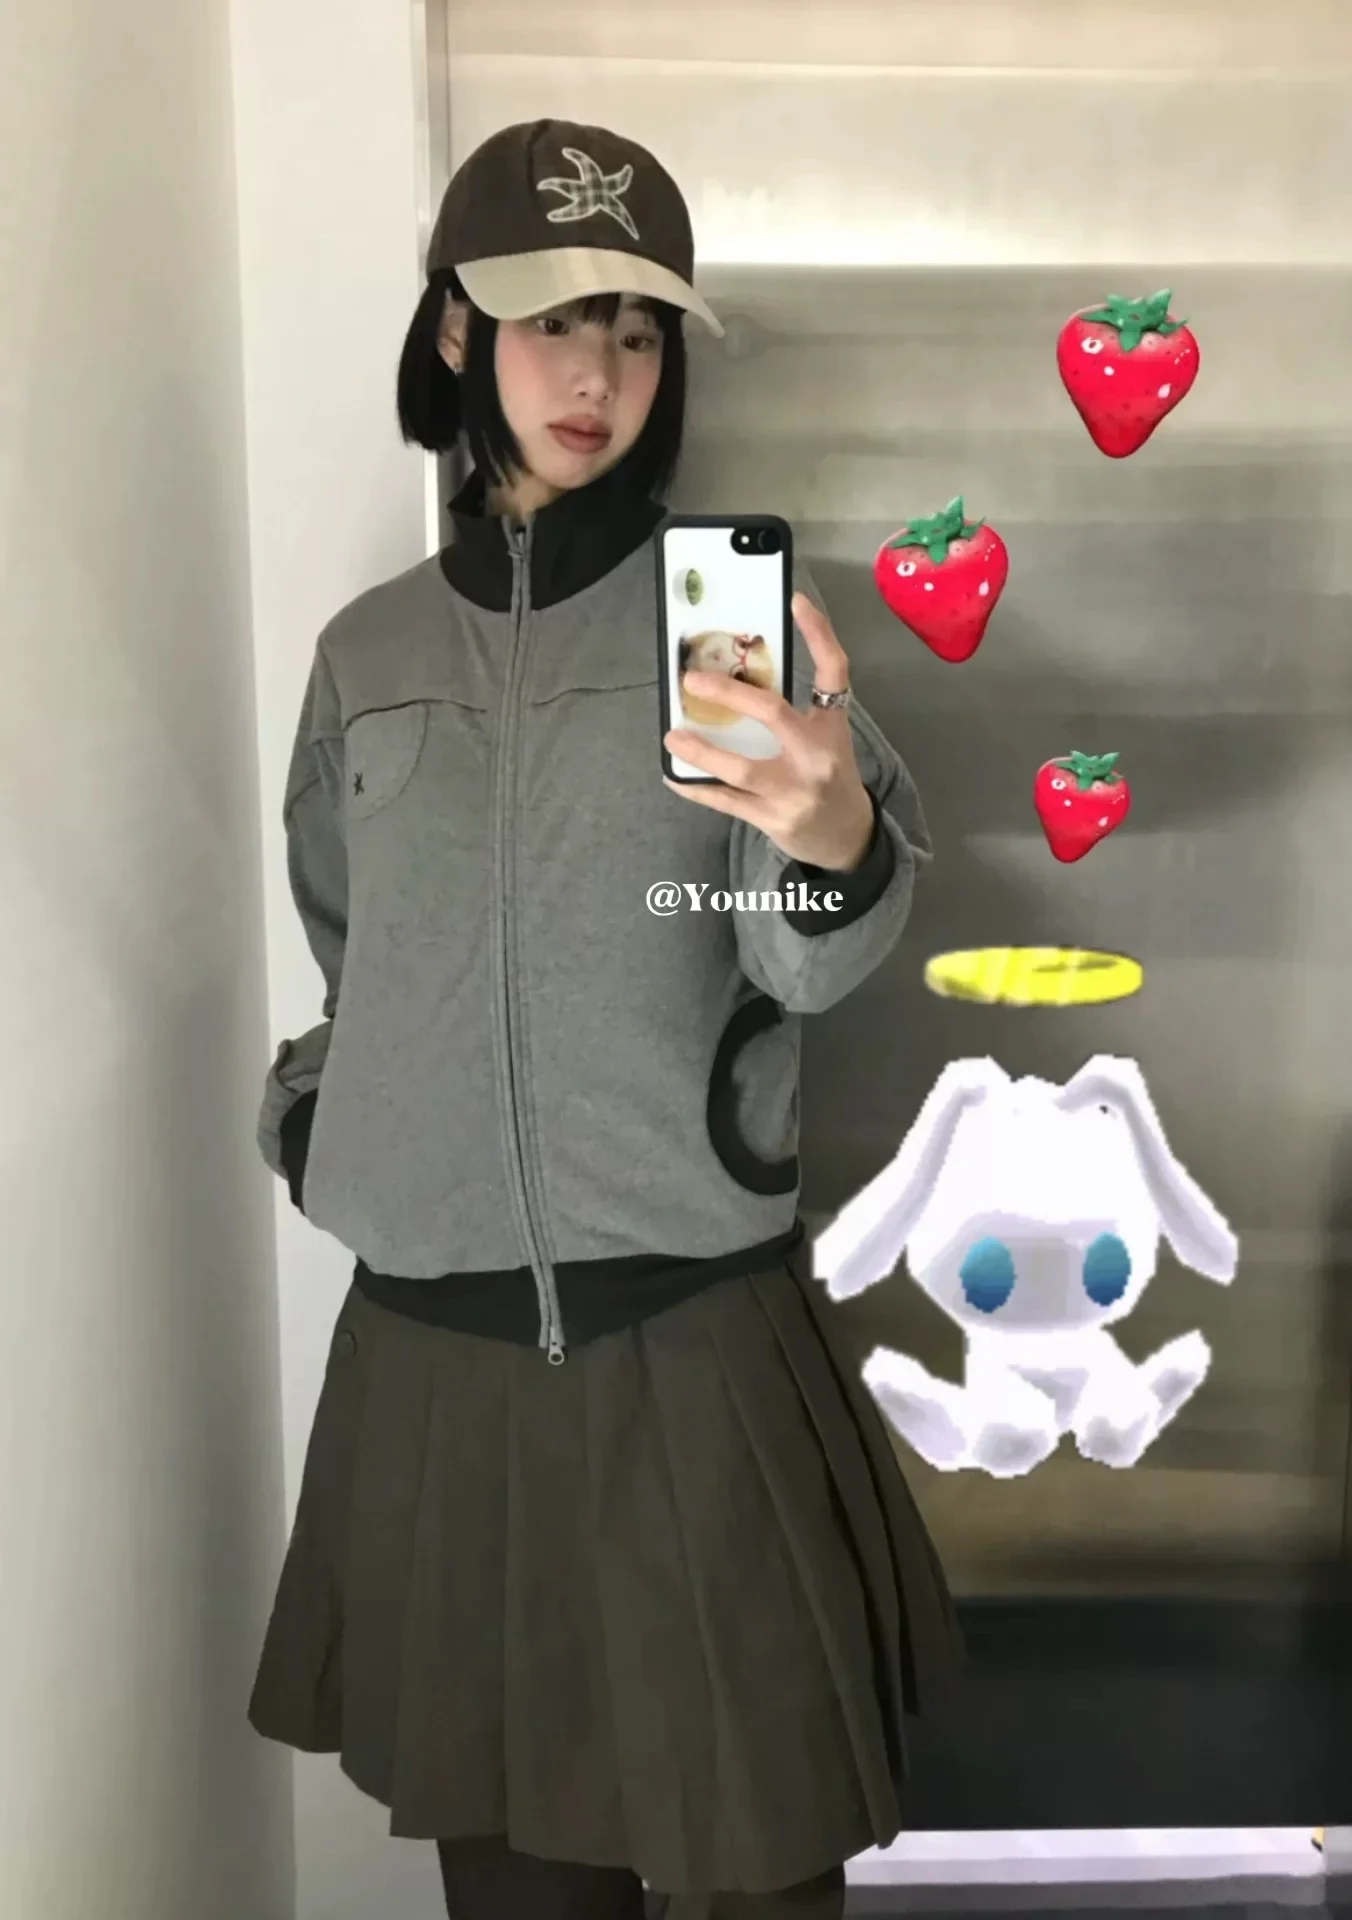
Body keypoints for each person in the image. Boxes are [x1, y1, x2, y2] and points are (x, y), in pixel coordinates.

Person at [248, 116, 961, 1920]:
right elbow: (352, 952)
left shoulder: (723, 626)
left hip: (689, 1351)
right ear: (456, 333)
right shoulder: (366, 658)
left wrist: (832, 842)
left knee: (759, 1873)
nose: (599, 375)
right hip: (436, 1378)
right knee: (516, 1887)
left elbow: (801, 961)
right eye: (554, 320)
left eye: (638, 331)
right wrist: (324, 1120)